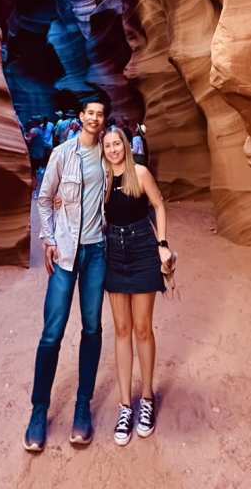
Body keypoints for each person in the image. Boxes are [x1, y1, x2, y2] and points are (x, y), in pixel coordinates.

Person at [23, 94, 110, 452]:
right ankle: (38, 412)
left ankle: (82, 407)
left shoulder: (111, 155)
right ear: (81, 116)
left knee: (92, 327)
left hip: (98, 252)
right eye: (89, 113)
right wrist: (47, 239)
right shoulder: (62, 154)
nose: (94, 118)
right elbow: (45, 199)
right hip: (65, 254)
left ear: (104, 120)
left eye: (100, 114)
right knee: (51, 333)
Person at [102, 125, 172, 446]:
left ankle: (146, 398)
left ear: (126, 146)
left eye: (118, 144)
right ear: (103, 150)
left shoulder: (139, 173)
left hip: (143, 249)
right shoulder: (101, 179)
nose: (114, 149)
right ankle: (124, 406)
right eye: (109, 145)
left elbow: (158, 204)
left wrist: (162, 243)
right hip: (113, 252)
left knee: (142, 328)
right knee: (121, 329)